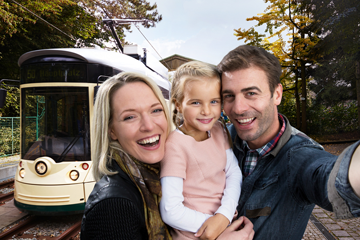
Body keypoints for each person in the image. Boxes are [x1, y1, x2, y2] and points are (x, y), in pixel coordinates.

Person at [80, 71, 255, 240]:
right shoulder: (113, 208)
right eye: (130, 117)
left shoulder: (150, 176)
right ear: (111, 130)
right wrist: (218, 230)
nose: (148, 126)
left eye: (155, 110)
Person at [217, 45, 360, 240]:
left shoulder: (300, 156)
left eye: (251, 93)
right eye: (229, 96)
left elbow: (332, 179)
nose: (238, 108)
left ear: (276, 94)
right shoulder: (216, 139)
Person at [160, 61, 243, 239]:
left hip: (222, 224)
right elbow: (171, 211)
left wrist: (224, 216)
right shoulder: (175, 145)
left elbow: (233, 173)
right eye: (196, 102)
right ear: (179, 104)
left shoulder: (219, 129)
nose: (206, 111)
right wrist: (213, 224)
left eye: (213, 101)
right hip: (194, 233)